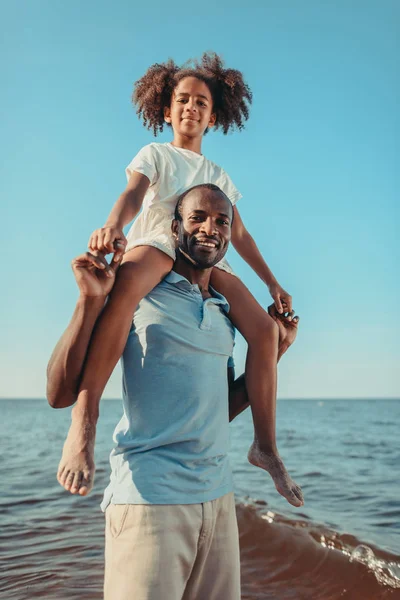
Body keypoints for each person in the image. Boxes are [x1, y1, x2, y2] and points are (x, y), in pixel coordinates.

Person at [56, 51, 303, 507]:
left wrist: (271, 281)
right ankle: (84, 419)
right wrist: (113, 224)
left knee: (267, 332)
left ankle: (264, 446)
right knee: (125, 293)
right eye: (183, 100)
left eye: (202, 103)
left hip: (205, 252)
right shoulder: (156, 154)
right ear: (166, 110)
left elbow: (240, 232)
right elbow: (133, 193)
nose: (191, 107)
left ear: (213, 118)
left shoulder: (218, 176)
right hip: (156, 239)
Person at [47, 184, 301, 600]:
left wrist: (280, 348)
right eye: (197, 217)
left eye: (222, 221)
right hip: (150, 497)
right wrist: (87, 302)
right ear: (173, 226)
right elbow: (59, 393)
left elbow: (221, 408)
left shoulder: (224, 312)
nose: (210, 229)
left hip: (218, 499)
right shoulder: (139, 292)